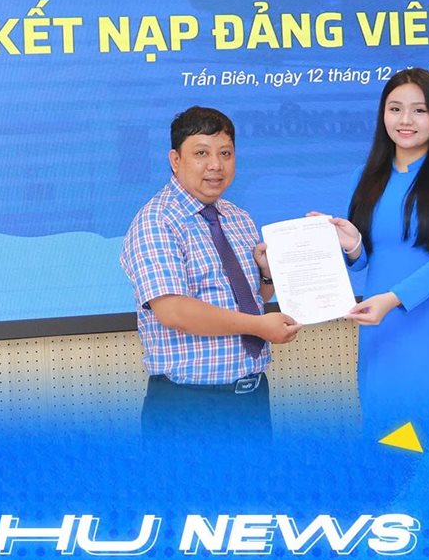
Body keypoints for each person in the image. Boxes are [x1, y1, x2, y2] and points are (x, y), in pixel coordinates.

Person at [319, 69, 429, 436]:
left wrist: (394, 298)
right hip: (383, 326)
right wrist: (352, 244)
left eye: (419, 110)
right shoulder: (365, 177)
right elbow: (367, 258)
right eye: (395, 109)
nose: (405, 120)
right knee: (392, 437)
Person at [120, 106, 301, 439]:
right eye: (201, 153)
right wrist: (259, 327)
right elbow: (173, 311)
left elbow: (250, 300)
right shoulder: (156, 221)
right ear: (175, 160)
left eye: (225, 153)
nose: (216, 165)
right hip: (189, 407)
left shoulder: (238, 218)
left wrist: (266, 275)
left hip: (251, 399)